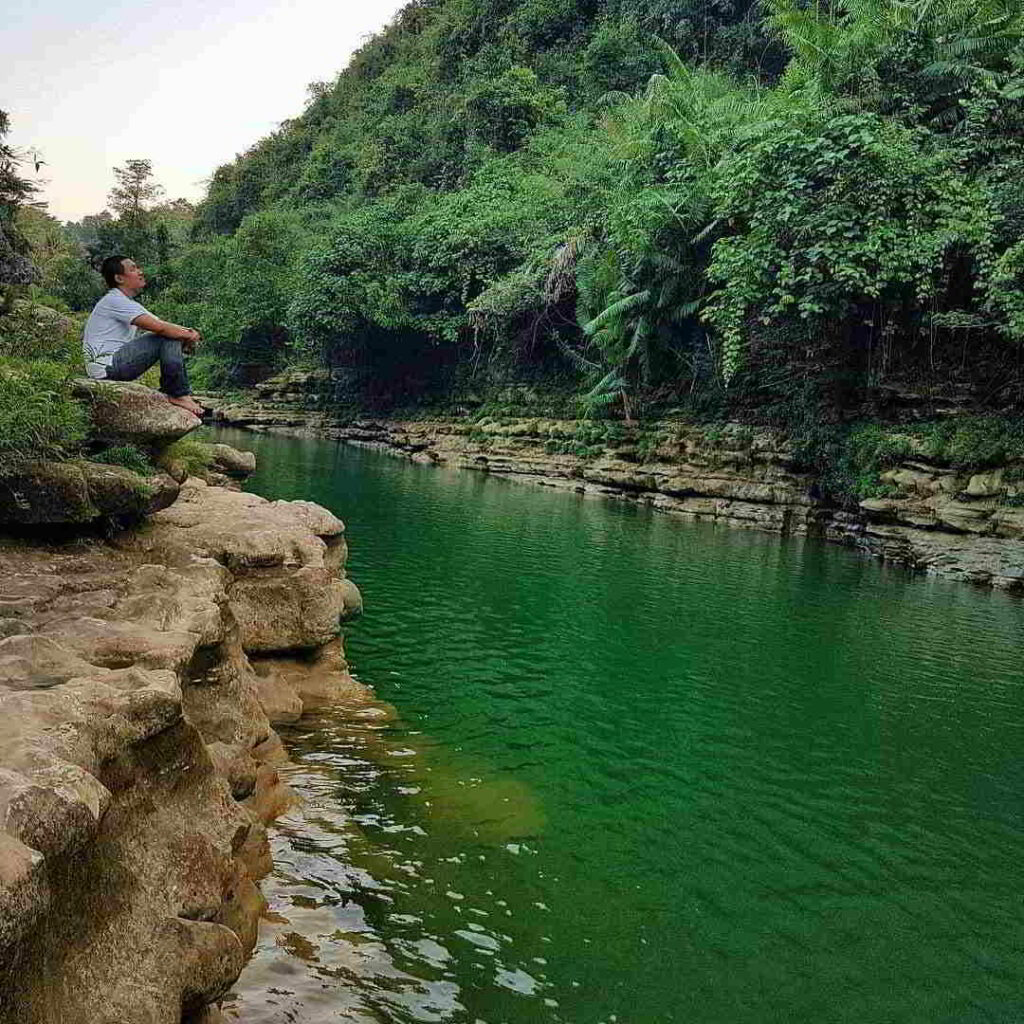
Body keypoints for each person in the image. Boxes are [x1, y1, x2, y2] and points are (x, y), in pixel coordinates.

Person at [83, 255, 204, 416]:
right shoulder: (114, 301)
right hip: (108, 367)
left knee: (170, 334)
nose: (140, 272)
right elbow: (161, 329)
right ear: (119, 278)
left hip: (112, 366)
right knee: (166, 336)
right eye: (133, 269)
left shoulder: (127, 303)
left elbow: (162, 324)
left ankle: (178, 392)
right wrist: (187, 335)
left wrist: (187, 333)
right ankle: (177, 393)